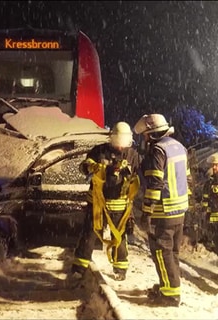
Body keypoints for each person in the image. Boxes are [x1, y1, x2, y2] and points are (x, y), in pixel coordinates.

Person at [134, 113, 192, 307]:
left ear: (151, 134)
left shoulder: (157, 151)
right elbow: (188, 178)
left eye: (145, 135)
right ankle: (168, 285)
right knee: (172, 252)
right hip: (179, 210)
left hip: (163, 211)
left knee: (161, 252)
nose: (144, 139)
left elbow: (155, 183)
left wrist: (147, 211)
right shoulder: (179, 147)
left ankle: (170, 295)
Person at [71, 121, 140, 281]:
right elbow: (83, 167)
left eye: (124, 145)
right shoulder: (99, 151)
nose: (121, 149)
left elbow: (137, 180)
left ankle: (120, 269)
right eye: (118, 145)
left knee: (119, 237)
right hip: (97, 204)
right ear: (112, 139)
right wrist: (94, 168)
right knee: (89, 235)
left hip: (120, 206)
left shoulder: (133, 155)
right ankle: (79, 268)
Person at [201, 153, 218, 252]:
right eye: (213, 165)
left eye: (216, 165)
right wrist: (205, 212)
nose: (214, 168)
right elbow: (206, 198)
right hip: (214, 221)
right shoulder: (210, 182)